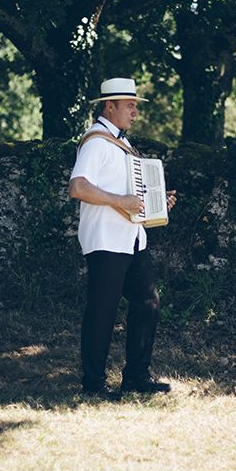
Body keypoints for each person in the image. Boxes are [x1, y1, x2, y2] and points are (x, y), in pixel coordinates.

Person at [69, 77, 176, 400]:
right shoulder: (96, 142)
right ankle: (93, 384)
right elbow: (78, 187)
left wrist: (157, 203)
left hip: (132, 238)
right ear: (109, 106)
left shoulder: (123, 144)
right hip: (105, 239)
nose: (135, 112)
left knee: (148, 301)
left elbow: (132, 194)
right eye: (129, 105)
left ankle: (136, 377)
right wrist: (120, 201)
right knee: (103, 309)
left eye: (134, 106)